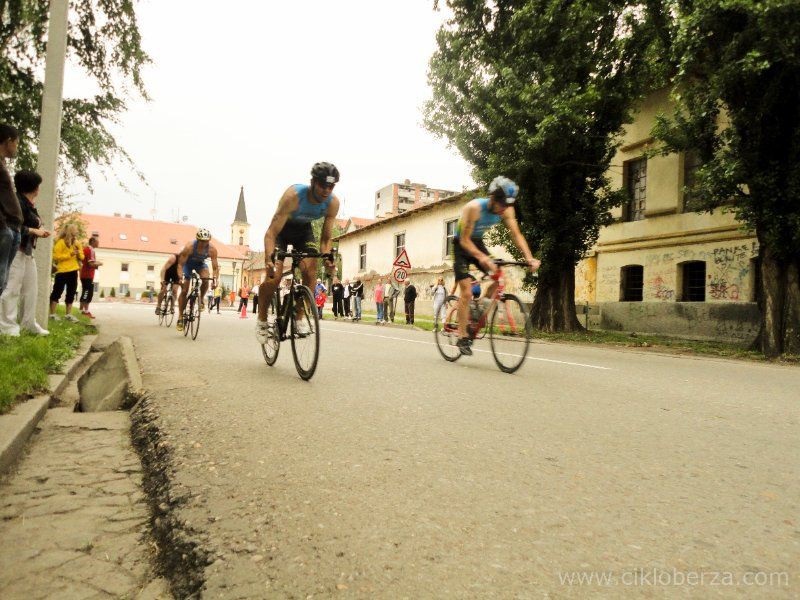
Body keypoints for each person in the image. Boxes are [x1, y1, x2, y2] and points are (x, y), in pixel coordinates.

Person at [452, 176, 540, 355]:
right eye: (502, 204)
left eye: (508, 205)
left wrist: (530, 257)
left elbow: (516, 235)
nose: (504, 210)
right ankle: (462, 336)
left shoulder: (507, 210)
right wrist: (481, 257)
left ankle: (479, 308)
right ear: (492, 198)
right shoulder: (474, 208)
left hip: (477, 243)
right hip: (461, 245)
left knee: (500, 277)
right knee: (467, 292)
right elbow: (465, 240)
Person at [255, 162, 340, 343]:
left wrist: (327, 260)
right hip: (281, 232)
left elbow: (325, 240)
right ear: (313, 182)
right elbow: (270, 233)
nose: (326, 190)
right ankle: (262, 320)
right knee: (274, 277)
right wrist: (268, 260)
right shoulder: (293, 196)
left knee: (310, 271)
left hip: (303, 232)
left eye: (331, 186)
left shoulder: (332, 203)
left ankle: (298, 316)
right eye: (322, 185)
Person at [0, 170, 50, 336]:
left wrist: (38, 230)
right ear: (35, 188)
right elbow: (13, 226)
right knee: (12, 289)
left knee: (30, 290)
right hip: (16, 252)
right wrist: (35, 231)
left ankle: (29, 324)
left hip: (28, 252)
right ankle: (8, 328)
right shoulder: (17, 203)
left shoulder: (29, 205)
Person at [175, 228, 219, 332]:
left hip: (200, 265)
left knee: (205, 278)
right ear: (198, 240)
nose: (204, 244)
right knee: (185, 290)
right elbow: (180, 264)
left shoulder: (212, 249)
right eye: (202, 241)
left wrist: (215, 280)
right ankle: (181, 317)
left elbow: (215, 268)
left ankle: (201, 299)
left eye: (206, 241)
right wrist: (180, 277)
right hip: (187, 265)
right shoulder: (189, 247)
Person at [0, 124, 23, 298]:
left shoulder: (2, 164)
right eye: (16, 142)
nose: (16, 147)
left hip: (11, 228)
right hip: (4, 228)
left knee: (3, 281)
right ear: (8, 141)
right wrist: (3, 226)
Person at [50, 223, 83, 321]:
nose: (77, 231)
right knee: (57, 291)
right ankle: (52, 314)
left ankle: (68, 314)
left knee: (71, 292)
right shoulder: (60, 242)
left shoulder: (77, 243)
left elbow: (82, 256)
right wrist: (70, 254)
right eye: (75, 229)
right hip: (62, 271)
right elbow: (56, 256)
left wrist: (78, 255)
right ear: (70, 231)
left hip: (73, 270)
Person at [79, 235, 102, 318]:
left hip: (84, 274)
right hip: (87, 275)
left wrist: (95, 264)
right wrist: (99, 263)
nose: (98, 243)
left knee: (85, 292)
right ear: (92, 242)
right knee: (88, 293)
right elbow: (90, 264)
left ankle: (81, 310)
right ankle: (85, 311)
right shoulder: (90, 250)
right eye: (97, 242)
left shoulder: (86, 249)